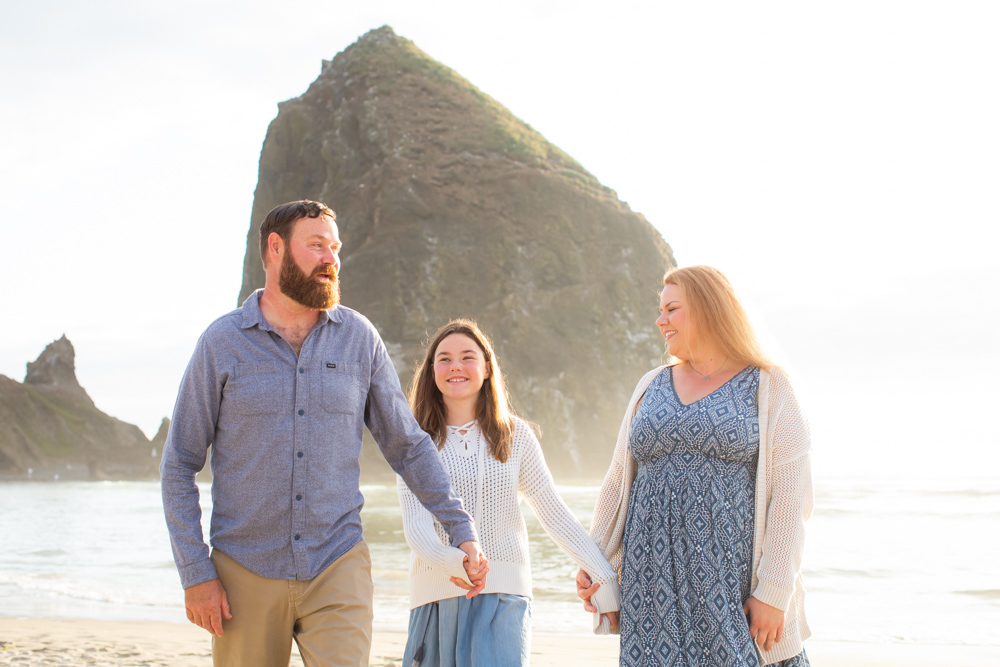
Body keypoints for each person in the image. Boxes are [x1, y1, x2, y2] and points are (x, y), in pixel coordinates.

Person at [160, 200, 485, 667]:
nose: (331, 258)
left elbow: (407, 446)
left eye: (334, 247)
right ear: (276, 249)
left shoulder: (359, 338)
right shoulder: (221, 343)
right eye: (316, 246)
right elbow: (179, 464)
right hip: (243, 572)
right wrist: (195, 572)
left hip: (338, 562)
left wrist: (460, 528)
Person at [576, 265, 813, 667]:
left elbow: (792, 496)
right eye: (660, 310)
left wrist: (774, 591)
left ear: (706, 308)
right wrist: (596, 564)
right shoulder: (650, 385)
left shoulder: (770, 385)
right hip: (649, 583)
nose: (660, 320)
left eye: (671, 308)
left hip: (729, 580)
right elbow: (618, 483)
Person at [397, 319, 620, 667]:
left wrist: (604, 576)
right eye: (444, 358)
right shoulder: (414, 442)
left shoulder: (515, 437)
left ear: (487, 369)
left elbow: (554, 514)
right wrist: (454, 562)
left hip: (506, 599)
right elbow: (416, 527)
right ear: (430, 371)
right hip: (435, 596)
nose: (455, 365)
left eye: (467, 356)